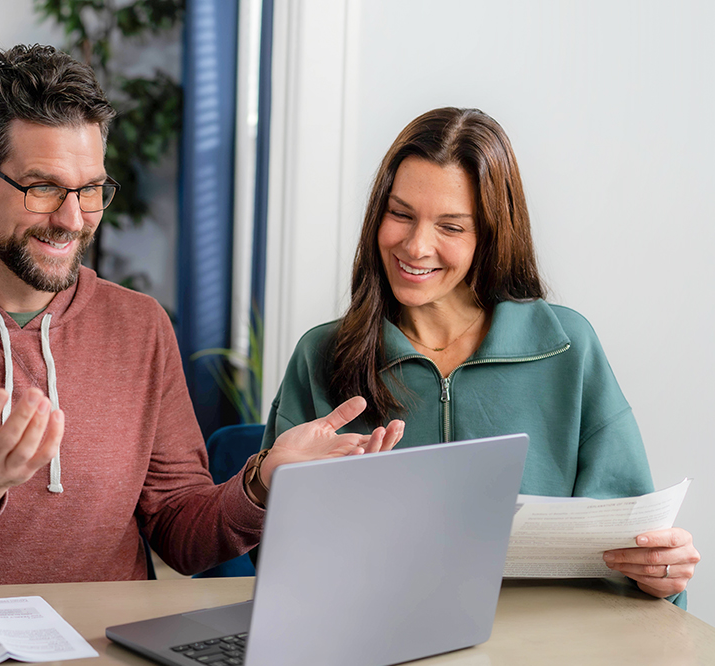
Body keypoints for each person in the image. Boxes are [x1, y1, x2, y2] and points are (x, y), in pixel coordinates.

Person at [0, 44, 404, 589]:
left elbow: (181, 533)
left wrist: (264, 483)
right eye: (43, 189)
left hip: (106, 643)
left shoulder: (141, 325)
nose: (74, 220)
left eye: (92, 189)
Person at [261, 107, 699, 606]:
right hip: (376, 634)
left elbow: (632, 555)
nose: (416, 245)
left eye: (451, 227)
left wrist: (657, 574)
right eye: (400, 214)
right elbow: (269, 553)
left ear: (492, 235)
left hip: (547, 645)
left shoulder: (569, 348)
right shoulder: (321, 354)